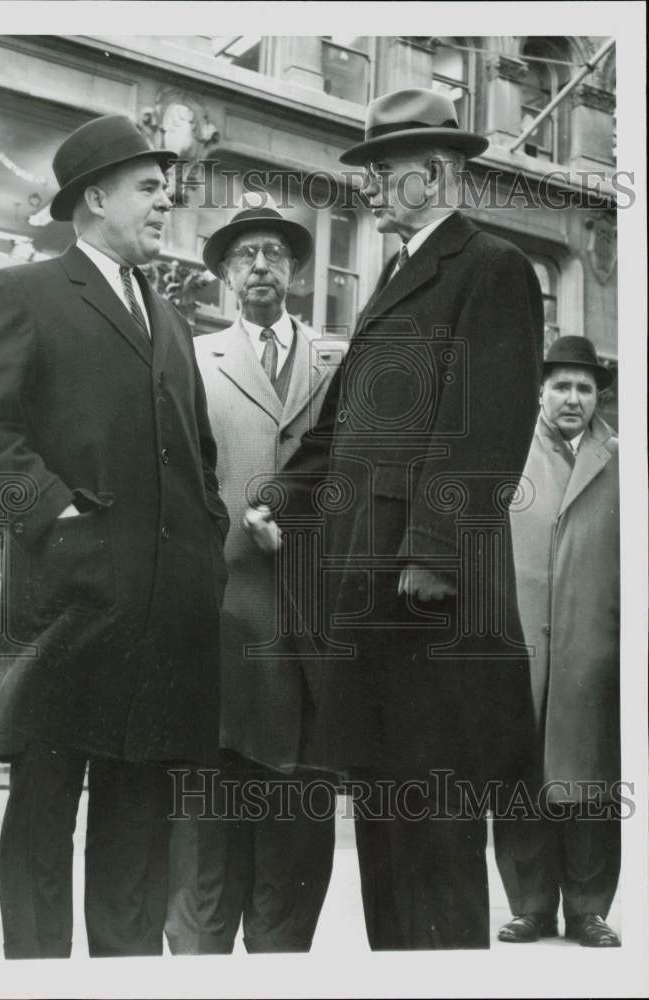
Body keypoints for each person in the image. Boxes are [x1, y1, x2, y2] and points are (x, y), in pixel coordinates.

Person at [245, 88, 543, 950]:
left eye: (382, 171)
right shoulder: (400, 274)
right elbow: (339, 422)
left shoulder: (491, 267)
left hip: (427, 598)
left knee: (436, 832)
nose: (368, 188)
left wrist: (435, 555)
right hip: (371, 591)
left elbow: (489, 426)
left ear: (436, 171)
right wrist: (274, 496)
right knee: (385, 816)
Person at [0, 114, 229, 959]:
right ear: (93, 198)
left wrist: (205, 551)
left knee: (135, 840)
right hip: (64, 621)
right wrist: (60, 519)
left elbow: (198, 465)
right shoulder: (24, 293)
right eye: (148, 188)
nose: (165, 202)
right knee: (41, 826)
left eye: (165, 189)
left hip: (160, 625)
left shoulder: (173, 323)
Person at [165, 193, 337, 954]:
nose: (260, 266)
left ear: (295, 272)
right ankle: (199, 959)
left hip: (311, 624)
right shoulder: (192, 360)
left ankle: (278, 962)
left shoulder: (339, 359)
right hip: (220, 617)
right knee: (208, 813)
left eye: (273, 253)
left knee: (296, 820)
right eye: (244, 255)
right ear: (225, 276)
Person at [494, 335, 620, 948]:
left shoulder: (621, 458)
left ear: (598, 398)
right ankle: (530, 905)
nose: (573, 398)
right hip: (519, 644)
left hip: (593, 650)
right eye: (562, 386)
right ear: (541, 391)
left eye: (584, 388)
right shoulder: (508, 453)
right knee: (520, 776)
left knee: (592, 780)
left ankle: (589, 908)